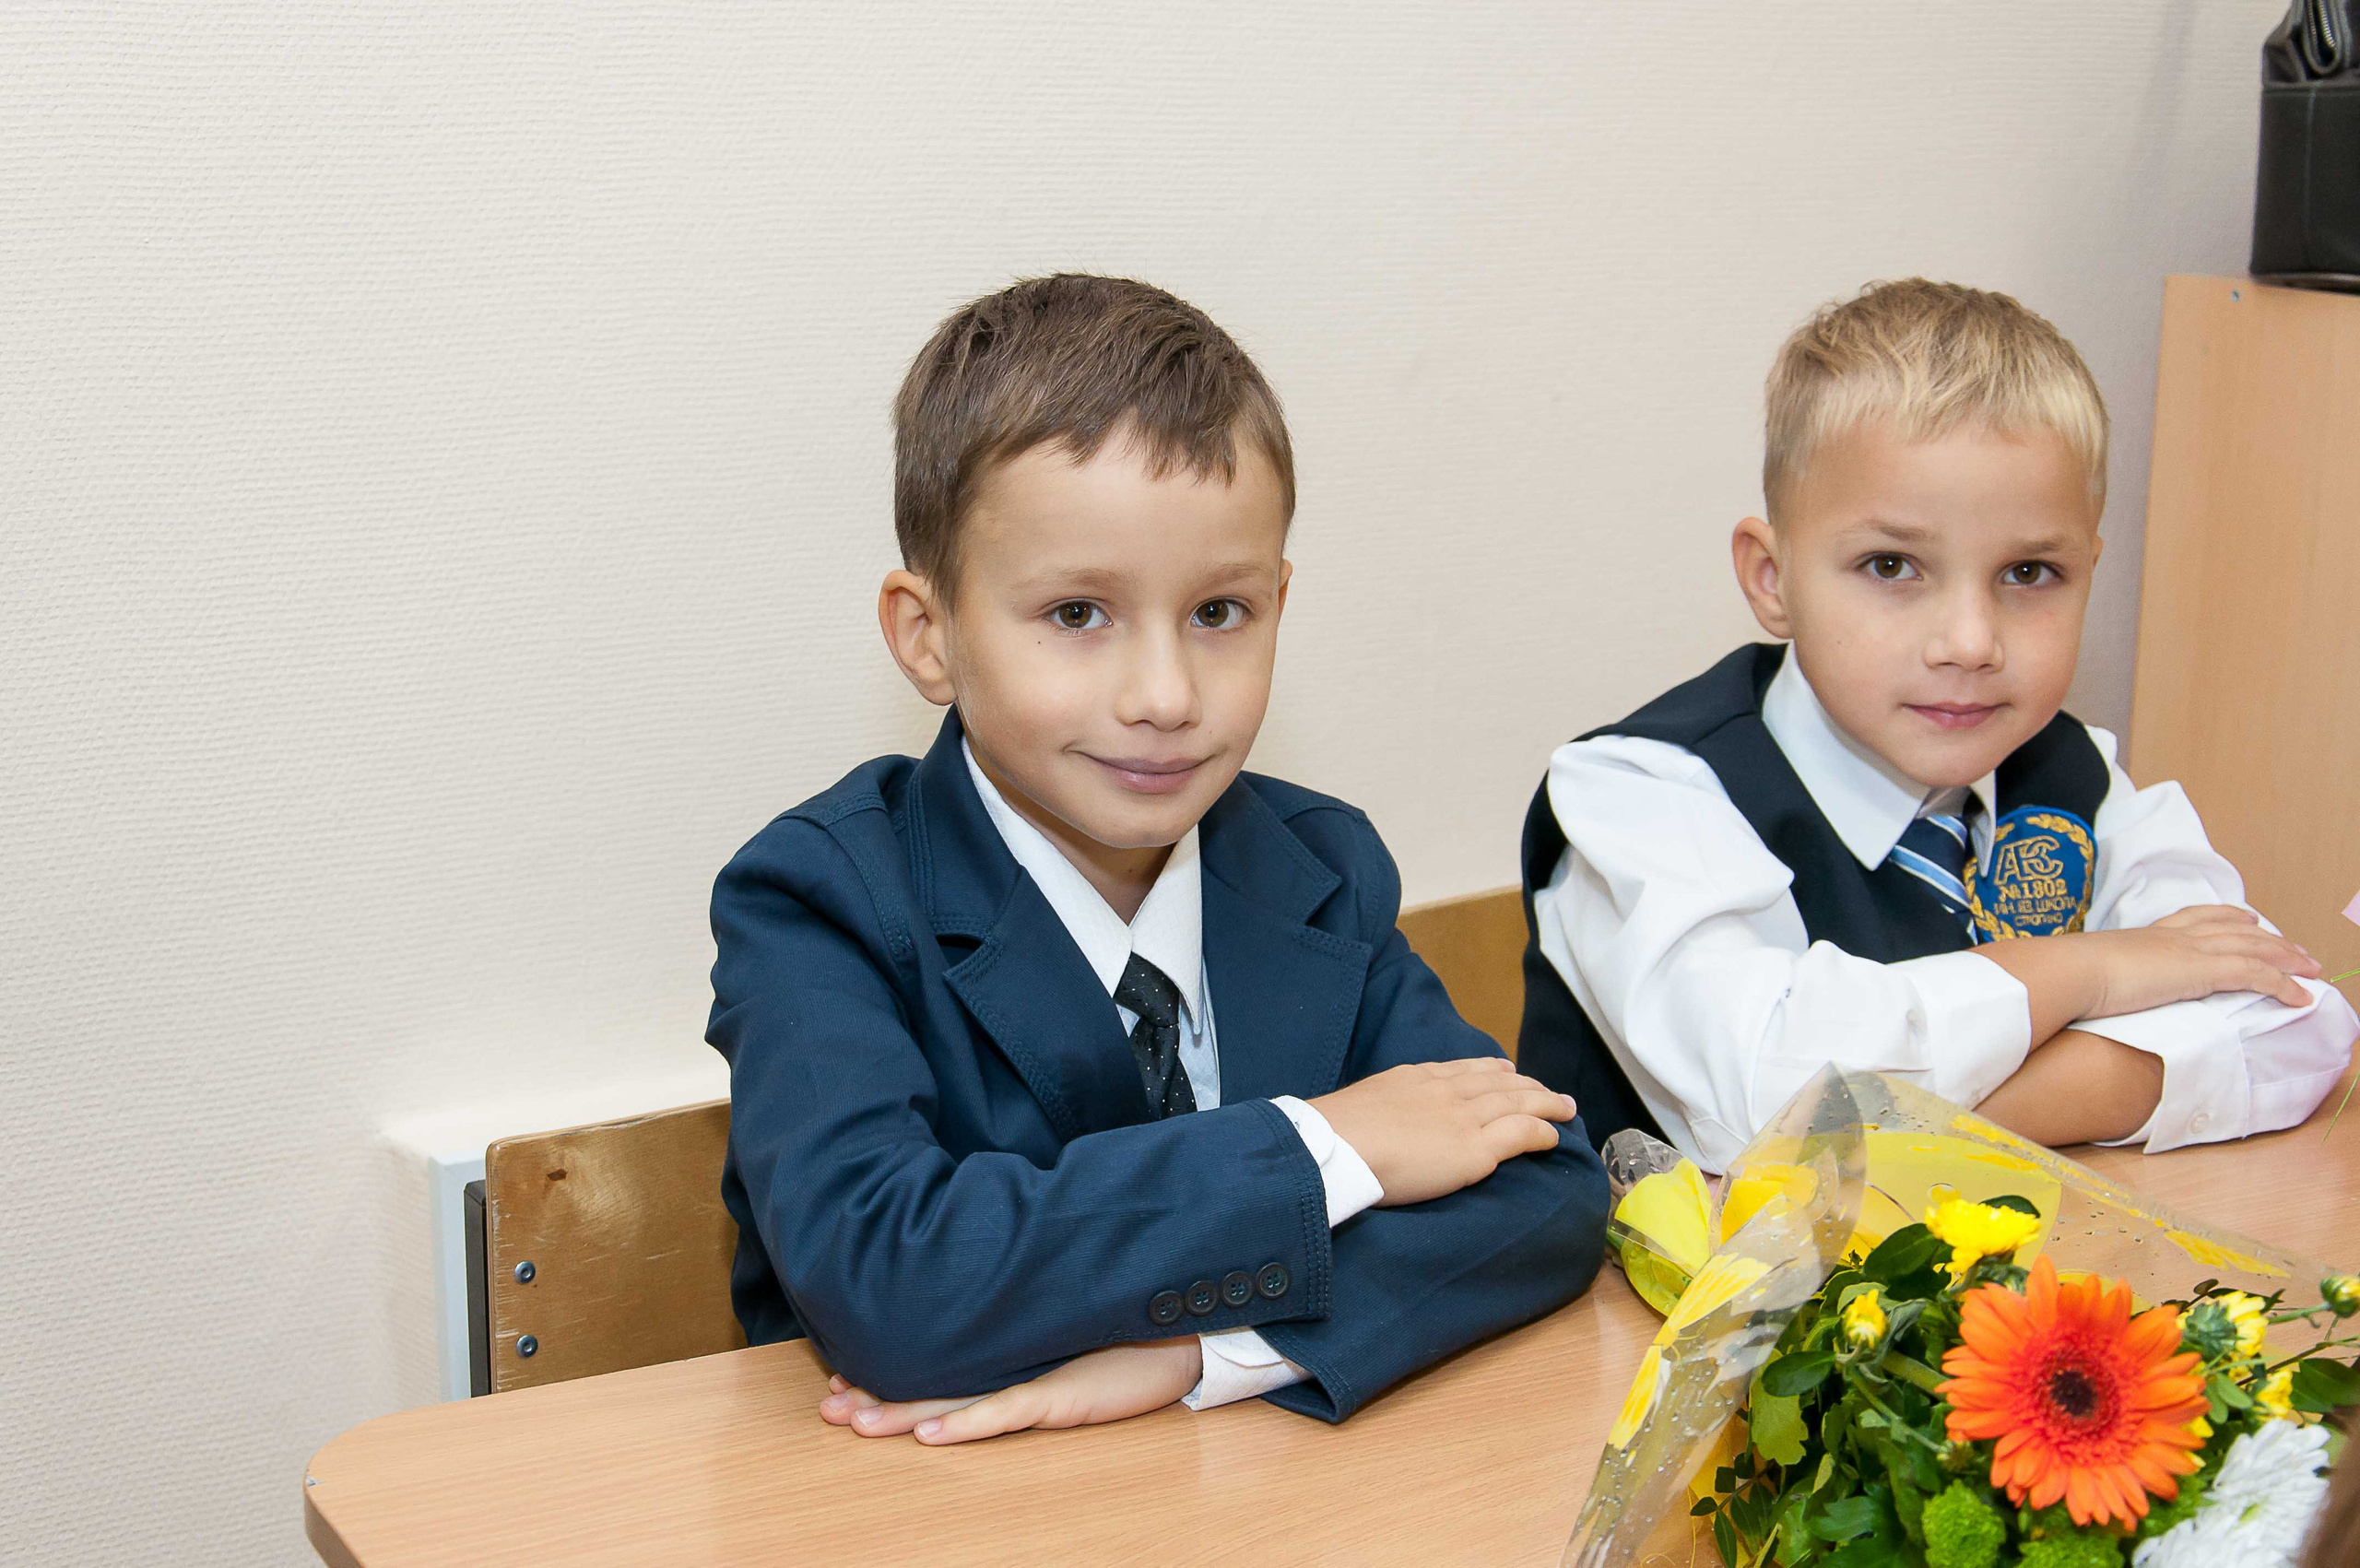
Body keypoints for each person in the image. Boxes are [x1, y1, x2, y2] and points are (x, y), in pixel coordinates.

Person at [709, 274, 1608, 1445]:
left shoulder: (1315, 864)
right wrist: (1327, 1146)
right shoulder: (821, 898)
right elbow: (895, 1280)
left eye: (1220, 613)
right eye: (1078, 614)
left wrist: (1204, 1353)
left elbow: (1543, 1195)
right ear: (928, 638)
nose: (1166, 697)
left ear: (1280, 600)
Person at [1517, 277, 2357, 1172]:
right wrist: (2092, 971)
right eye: (1891, 564)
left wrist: (1903, 1118)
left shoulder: (2076, 777)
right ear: (1772, 577)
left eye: (2029, 573)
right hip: (1677, 1302)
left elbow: (2298, 1026)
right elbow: (1771, 1100)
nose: (1969, 641)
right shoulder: (1640, 795)